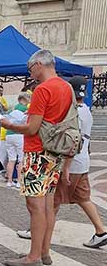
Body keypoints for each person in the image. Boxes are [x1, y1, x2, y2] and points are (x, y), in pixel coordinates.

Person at [1, 50, 73, 266]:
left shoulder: (43, 89)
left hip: (37, 152)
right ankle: (44, 251)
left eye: (31, 68)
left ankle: (33, 256)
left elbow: (32, 128)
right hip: (55, 152)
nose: (30, 72)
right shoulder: (66, 87)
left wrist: (8, 124)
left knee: (35, 206)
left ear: (39, 64)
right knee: (48, 205)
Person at [20, 77, 107, 249]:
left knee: (52, 201)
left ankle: (38, 232)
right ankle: (100, 231)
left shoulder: (74, 112)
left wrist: (65, 166)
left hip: (71, 162)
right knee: (83, 198)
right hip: (82, 162)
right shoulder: (86, 110)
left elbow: (70, 140)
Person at [4, 93, 30, 188]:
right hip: (19, 135)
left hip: (9, 135)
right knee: (21, 159)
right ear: (25, 100)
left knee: (11, 159)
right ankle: (19, 181)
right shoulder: (26, 110)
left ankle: (9, 181)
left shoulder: (12, 110)